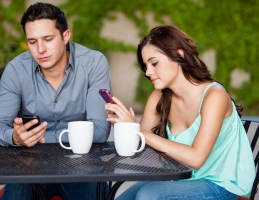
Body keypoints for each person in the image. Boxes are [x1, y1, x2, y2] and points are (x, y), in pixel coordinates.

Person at [105, 25, 255, 199]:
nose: (148, 71)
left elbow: (196, 158)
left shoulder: (214, 96)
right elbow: (140, 149)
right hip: (183, 181)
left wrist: (137, 130)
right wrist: (125, 125)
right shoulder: (160, 96)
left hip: (223, 184)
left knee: (149, 195)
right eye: (146, 65)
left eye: (154, 63)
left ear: (179, 55)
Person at [0, 2, 111, 200]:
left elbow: (100, 130)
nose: (40, 49)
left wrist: (44, 138)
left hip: (83, 163)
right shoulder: (16, 69)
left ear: (66, 36)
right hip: (30, 164)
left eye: (48, 39)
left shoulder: (94, 63)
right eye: (32, 42)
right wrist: (15, 137)